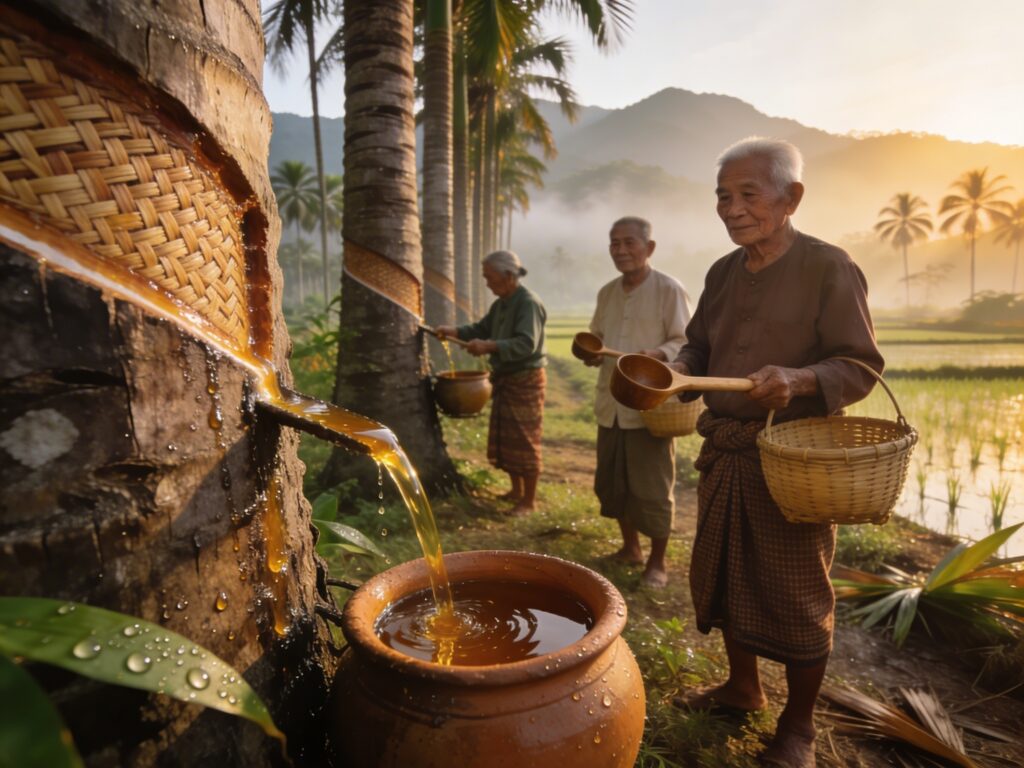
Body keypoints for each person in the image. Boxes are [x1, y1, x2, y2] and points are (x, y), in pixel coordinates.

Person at [670, 137, 884, 768]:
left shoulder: (829, 267)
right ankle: (742, 688)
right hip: (728, 451)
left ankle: (798, 728)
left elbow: (860, 364)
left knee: (797, 594)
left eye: (747, 195)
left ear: (791, 198)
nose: (732, 209)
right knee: (728, 572)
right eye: (722, 197)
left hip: (795, 460)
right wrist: (675, 369)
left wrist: (799, 380)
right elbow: (698, 349)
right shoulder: (721, 273)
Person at [587, 216, 690, 588]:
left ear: (649, 248)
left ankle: (658, 562)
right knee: (613, 484)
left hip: (650, 406)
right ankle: (631, 547)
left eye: (630, 243)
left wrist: (656, 354)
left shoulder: (669, 289)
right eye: (614, 243)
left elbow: (685, 342)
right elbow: (598, 338)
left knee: (652, 488)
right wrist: (592, 352)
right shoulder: (607, 292)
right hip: (611, 404)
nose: (621, 250)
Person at [436, 250, 547, 516]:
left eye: (490, 277)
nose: (487, 283)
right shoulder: (501, 304)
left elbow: (526, 343)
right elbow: (481, 328)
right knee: (507, 437)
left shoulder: (527, 303)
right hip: (505, 378)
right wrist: (456, 332)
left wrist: (489, 347)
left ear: (509, 276)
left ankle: (529, 500)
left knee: (524, 439)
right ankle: (516, 491)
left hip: (525, 380)